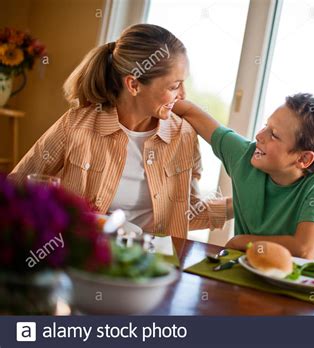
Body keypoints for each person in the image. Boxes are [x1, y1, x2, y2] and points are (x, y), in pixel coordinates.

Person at [9, 24, 232, 238]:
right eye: (174, 86)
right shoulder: (77, 125)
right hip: (81, 252)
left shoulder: (183, 135)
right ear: (133, 85)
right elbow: (16, 186)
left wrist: (241, 206)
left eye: (183, 84)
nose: (183, 95)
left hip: (147, 264)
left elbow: (185, 214)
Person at [172, 93, 314, 262]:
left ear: (303, 159)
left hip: (305, 281)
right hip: (250, 269)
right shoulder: (246, 155)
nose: (259, 136)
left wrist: (242, 241)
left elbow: (304, 250)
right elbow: (191, 112)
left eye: (274, 135)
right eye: (265, 126)